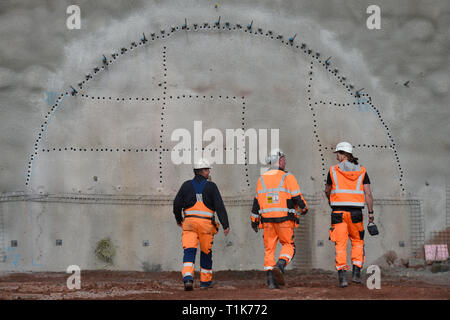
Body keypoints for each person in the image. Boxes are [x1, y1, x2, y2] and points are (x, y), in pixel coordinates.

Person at [251, 149, 308, 289]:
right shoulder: (287, 176)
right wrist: (304, 208)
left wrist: (253, 220)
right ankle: (281, 264)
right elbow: (297, 197)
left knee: (269, 249)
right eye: (284, 159)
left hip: (267, 221)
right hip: (284, 220)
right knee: (289, 245)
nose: (285, 161)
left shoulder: (262, 178)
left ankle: (271, 281)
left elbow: (256, 202)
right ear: (279, 160)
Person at [173, 158, 230, 291]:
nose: (209, 171)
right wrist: (225, 224)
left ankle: (188, 277)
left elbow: (176, 204)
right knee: (206, 252)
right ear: (202, 171)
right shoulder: (211, 186)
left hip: (189, 224)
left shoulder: (186, 185)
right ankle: (205, 282)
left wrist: (178, 219)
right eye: (207, 169)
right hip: (206, 226)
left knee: (189, 250)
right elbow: (219, 206)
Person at [325, 142, 374, 287]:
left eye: (338, 154)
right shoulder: (362, 171)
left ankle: (342, 278)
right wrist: (371, 214)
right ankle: (356, 274)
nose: (336, 157)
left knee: (340, 244)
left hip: (338, 213)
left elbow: (327, 190)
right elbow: (368, 194)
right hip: (356, 213)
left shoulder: (333, 171)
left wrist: (331, 200)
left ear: (343, 154)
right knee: (357, 242)